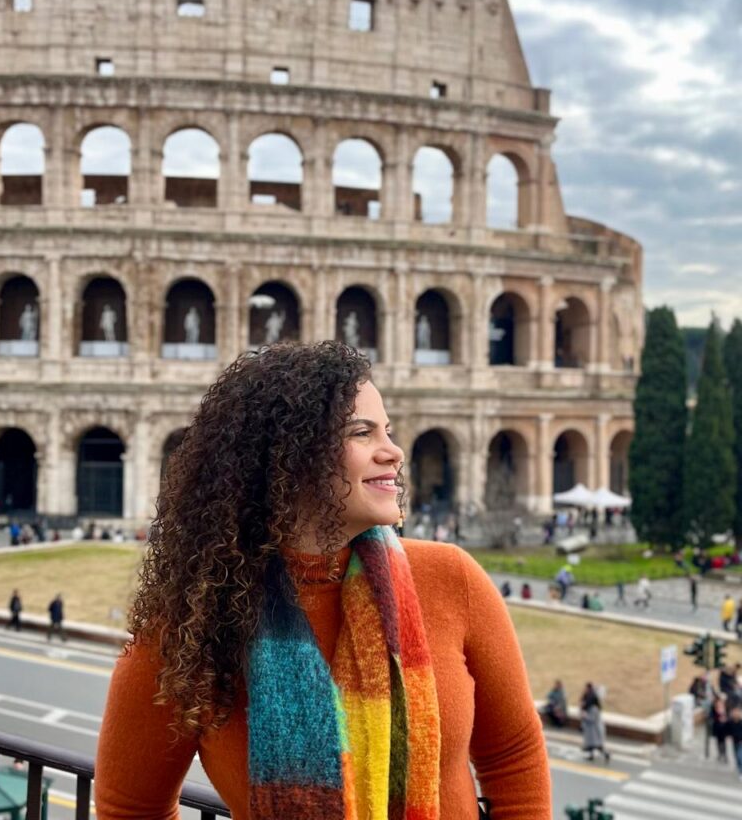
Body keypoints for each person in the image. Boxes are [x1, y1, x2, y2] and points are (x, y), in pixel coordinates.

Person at [94, 342, 552, 819]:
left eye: (389, 432)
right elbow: (130, 809)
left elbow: (513, 754)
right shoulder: (192, 623)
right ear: (290, 457)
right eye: (362, 432)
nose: (394, 452)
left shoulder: (451, 578)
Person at [579, 682, 610, 762]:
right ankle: (592, 755)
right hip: (591, 730)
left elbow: (592, 718)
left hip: (595, 731)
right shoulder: (588, 702)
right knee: (592, 745)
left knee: (597, 746)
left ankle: (605, 754)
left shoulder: (594, 708)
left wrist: (585, 715)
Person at [711, 694, 729, 763]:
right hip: (717, 726)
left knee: (723, 741)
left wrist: (725, 719)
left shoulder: (726, 707)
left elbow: (728, 716)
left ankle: (724, 754)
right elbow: (712, 716)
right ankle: (720, 754)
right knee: (718, 741)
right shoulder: (714, 707)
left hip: (724, 727)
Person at [729, 702, 742, 780]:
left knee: (740, 756)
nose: (736, 713)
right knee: (736, 756)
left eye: (737, 711)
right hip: (735, 742)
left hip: (741, 742)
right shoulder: (731, 722)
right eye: (734, 712)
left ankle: (741, 771)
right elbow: (728, 730)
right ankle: (739, 768)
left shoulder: (741, 722)